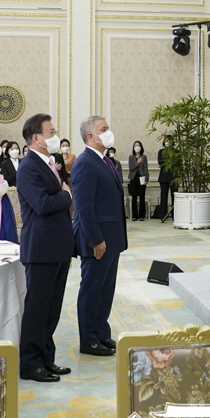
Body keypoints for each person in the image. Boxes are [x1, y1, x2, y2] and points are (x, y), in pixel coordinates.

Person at [16, 113, 74, 383]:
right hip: (41, 247)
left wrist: (63, 192)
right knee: (38, 309)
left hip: (58, 244)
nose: (55, 136)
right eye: (50, 132)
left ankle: (46, 358)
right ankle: (29, 362)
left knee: (52, 308)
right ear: (36, 137)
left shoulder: (51, 163)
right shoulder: (28, 167)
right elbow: (42, 204)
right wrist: (65, 195)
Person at [72, 116, 127, 357]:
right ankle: (89, 339)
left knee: (106, 289)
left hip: (112, 237)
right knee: (92, 289)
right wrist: (96, 239)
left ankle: (101, 333)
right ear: (91, 136)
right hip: (97, 240)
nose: (108, 132)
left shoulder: (107, 161)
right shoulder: (84, 162)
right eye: (103, 129)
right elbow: (83, 207)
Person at [128, 141, 149, 221]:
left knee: (142, 197)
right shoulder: (131, 157)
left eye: (138, 145)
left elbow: (146, 168)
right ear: (133, 147)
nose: (137, 147)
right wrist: (137, 162)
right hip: (133, 178)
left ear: (141, 147)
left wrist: (146, 179)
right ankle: (134, 215)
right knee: (134, 197)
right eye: (135, 145)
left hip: (142, 177)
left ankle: (141, 215)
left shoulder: (144, 157)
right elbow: (131, 168)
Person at [156, 135, 176, 219]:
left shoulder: (176, 152)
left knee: (174, 197)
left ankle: (175, 215)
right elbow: (161, 163)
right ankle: (163, 215)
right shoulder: (161, 151)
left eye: (169, 141)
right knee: (163, 197)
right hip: (164, 177)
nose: (167, 142)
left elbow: (178, 163)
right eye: (166, 141)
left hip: (174, 177)